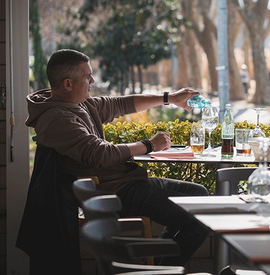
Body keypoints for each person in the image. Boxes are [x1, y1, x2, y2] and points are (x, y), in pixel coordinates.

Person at [21, 49, 209, 268]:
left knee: (199, 194)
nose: (92, 80)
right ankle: (161, 269)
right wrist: (148, 145)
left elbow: (121, 104)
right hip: (115, 192)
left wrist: (170, 98)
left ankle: (157, 267)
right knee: (200, 219)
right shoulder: (57, 118)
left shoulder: (79, 103)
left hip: (127, 182)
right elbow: (99, 153)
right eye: (87, 77)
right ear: (68, 84)